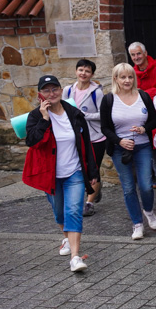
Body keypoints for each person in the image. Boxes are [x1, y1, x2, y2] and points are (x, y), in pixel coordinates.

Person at [24, 75, 99, 272]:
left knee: (73, 210)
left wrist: (92, 170)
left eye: (55, 89)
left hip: (74, 172)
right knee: (59, 212)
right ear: (41, 94)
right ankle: (66, 238)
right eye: (47, 90)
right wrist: (44, 119)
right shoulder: (35, 116)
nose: (52, 93)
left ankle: (75, 257)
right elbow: (32, 142)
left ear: (60, 90)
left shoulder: (73, 113)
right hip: (51, 175)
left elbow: (86, 143)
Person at [100, 63, 156, 239]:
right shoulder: (109, 99)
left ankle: (148, 211)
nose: (127, 80)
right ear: (115, 79)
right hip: (120, 149)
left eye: (130, 77)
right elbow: (104, 128)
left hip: (142, 146)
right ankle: (137, 224)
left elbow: (154, 122)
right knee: (128, 188)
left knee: (146, 186)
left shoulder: (143, 96)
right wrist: (119, 140)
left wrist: (143, 129)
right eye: (123, 77)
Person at [63, 59, 105, 217]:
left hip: (96, 137)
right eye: (81, 70)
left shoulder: (97, 93)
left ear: (92, 74)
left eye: (87, 71)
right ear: (76, 71)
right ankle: (94, 190)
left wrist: (84, 116)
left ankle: (89, 203)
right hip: (75, 136)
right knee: (81, 169)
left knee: (93, 169)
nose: (83, 73)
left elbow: (103, 114)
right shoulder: (68, 90)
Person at [128, 41, 156, 188]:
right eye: (133, 55)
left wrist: (145, 94)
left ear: (145, 53)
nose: (136, 57)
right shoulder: (132, 73)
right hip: (143, 112)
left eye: (139, 53)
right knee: (150, 144)